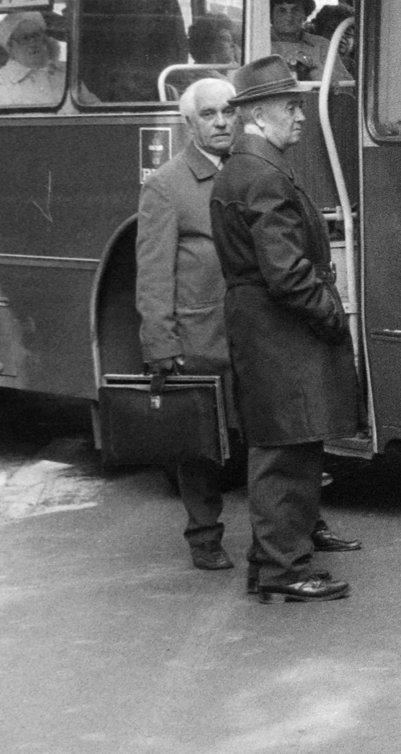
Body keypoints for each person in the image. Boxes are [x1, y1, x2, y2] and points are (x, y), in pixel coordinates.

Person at [211, 55, 363, 603]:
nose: (300, 115)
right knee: (287, 452)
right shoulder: (262, 176)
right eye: (290, 105)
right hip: (282, 333)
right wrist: (329, 312)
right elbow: (286, 273)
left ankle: (271, 561)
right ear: (255, 113)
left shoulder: (248, 169)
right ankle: (284, 569)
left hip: (266, 330)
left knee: (285, 445)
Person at [135, 78, 241, 570]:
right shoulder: (166, 184)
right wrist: (160, 343)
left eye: (228, 112)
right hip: (202, 338)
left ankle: (292, 530)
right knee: (199, 447)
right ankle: (204, 538)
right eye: (209, 114)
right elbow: (154, 272)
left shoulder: (250, 171)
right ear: (189, 123)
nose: (221, 122)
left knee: (273, 437)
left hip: (254, 334)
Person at [0, 10, 65, 106]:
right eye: (24, 38)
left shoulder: (66, 70)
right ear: (10, 47)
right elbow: (13, 117)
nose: (33, 43)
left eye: (36, 35)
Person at [269, 0, 340, 81]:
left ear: (305, 14)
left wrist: (312, 71)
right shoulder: (259, 45)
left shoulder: (321, 45)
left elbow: (344, 84)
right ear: (270, 15)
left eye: (295, 10)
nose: (289, 17)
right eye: (282, 11)